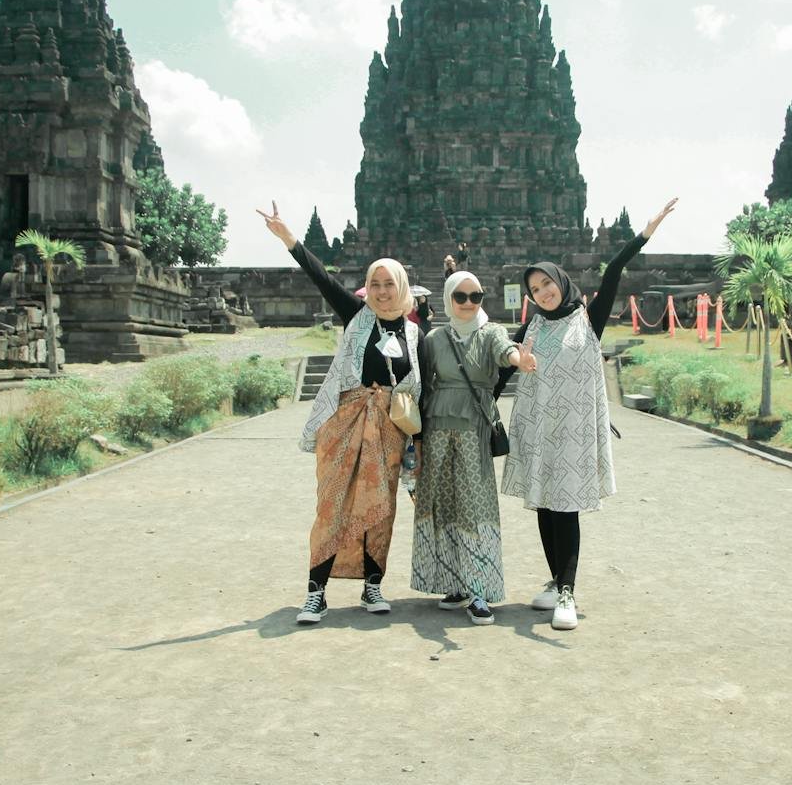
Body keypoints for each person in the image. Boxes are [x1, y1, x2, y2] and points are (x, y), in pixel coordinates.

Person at [498, 198, 678, 630]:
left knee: (566, 510)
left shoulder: (587, 318)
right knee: (543, 506)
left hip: (574, 436)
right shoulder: (533, 327)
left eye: (547, 284)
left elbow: (613, 271)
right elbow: (505, 364)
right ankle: (555, 579)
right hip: (540, 432)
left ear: (561, 281)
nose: (543, 292)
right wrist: (489, 385)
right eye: (535, 289)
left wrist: (645, 232)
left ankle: (567, 593)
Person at [258, 201, 422, 626]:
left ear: (402, 287)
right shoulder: (357, 315)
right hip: (344, 421)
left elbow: (423, 388)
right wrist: (289, 239)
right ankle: (316, 591)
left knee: (379, 508)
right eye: (375, 283)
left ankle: (372, 585)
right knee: (332, 505)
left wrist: (418, 445)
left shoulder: (415, 334)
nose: (383, 291)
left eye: (390, 284)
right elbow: (322, 278)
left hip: (388, 430)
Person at [414, 271, 534, 624]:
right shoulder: (434, 338)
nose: (468, 303)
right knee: (442, 503)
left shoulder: (491, 332)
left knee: (475, 505)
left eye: (476, 296)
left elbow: (505, 350)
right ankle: (455, 581)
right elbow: (421, 384)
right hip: (437, 427)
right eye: (461, 296)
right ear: (449, 299)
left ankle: (480, 587)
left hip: (472, 429)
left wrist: (519, 359)